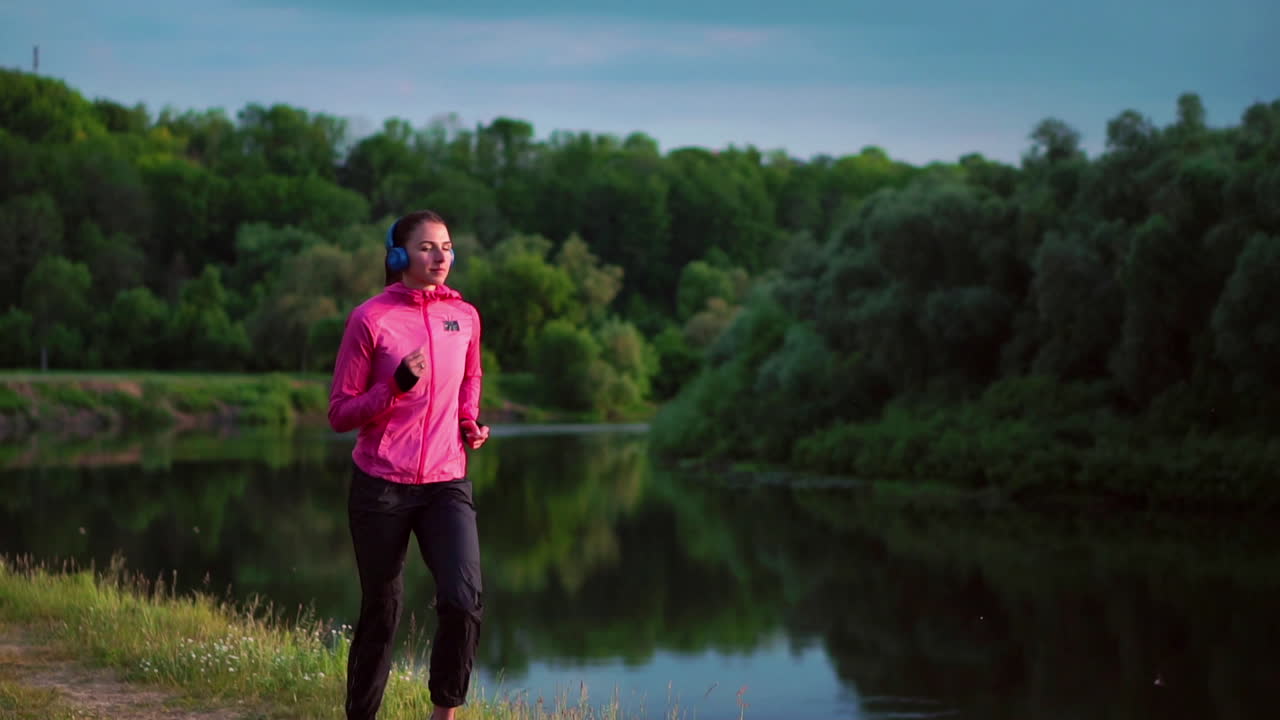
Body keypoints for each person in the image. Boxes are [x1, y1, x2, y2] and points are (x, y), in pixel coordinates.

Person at [328, 209, 491, 720]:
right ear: (399, 256)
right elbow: (340, 413)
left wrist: (468, 419)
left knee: (463, 599)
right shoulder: (370, 318)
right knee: (382, 611)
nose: (440, 256)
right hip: (381, 484)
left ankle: (444, 713)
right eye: (427, 247)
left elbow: (471, 377)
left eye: (446, 246)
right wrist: (392, 388)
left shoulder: (464, 315)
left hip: (447, 481)